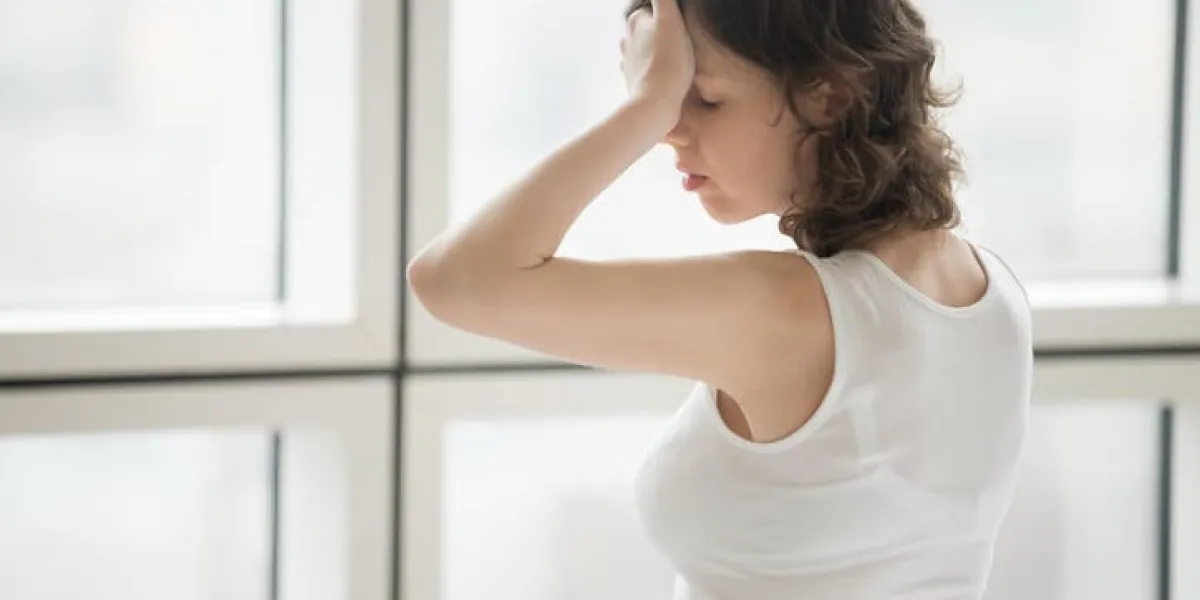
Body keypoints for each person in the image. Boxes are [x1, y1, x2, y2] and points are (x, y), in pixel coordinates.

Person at [408, 0, 1033, 597]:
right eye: (668, 99)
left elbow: (456, 280)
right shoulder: (993, 289)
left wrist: (642, 109)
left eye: (702, 98)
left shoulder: (792, 312)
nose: (670, 133)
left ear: (831, 94)